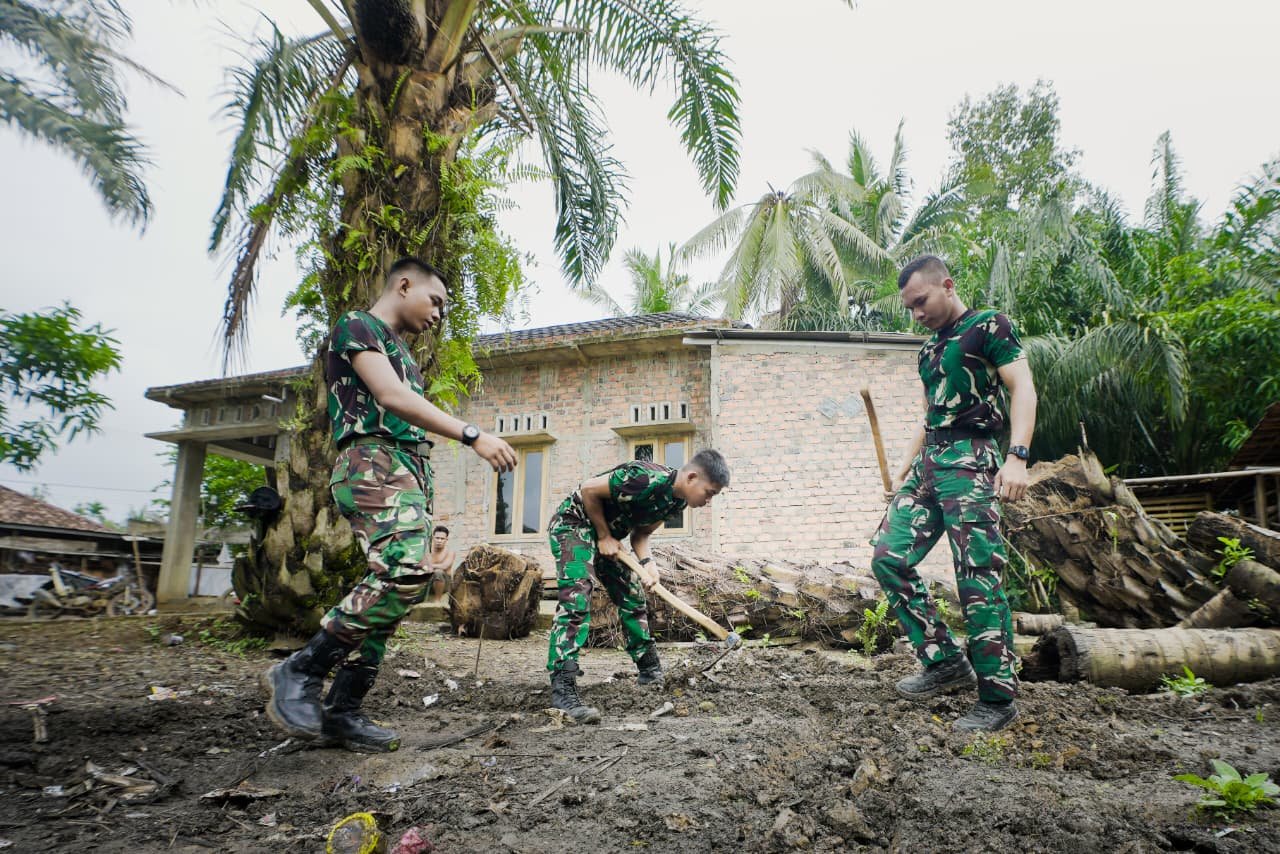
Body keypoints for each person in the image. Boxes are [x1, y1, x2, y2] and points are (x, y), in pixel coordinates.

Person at [262, 257, 517, 752]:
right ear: (403, 285)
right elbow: (390, 396)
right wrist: (473, 434)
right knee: (405, 571)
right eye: (435, 301)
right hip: (372, 463)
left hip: (406, 471)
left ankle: (343, 710)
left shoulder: (404, 353)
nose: (439, 314)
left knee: (399, 590)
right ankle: (300, 670)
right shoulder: (358, 326)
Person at [870, 254, 1037, 732]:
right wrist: (904, 466)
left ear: (947, 285)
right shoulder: (928, 351)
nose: (917, 313)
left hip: (972, 460)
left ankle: (997, 698)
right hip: (931, 463)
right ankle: (944, 661)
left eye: (921, 301)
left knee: (977, 577)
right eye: (910, 307)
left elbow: (1023, 387)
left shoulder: (989, 326)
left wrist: (1018, 455)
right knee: (888, 557)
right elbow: (930, 416)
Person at [546, 450, 730, 723]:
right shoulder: (643, 478)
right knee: (577, 595)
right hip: (574, 524)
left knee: (632, 594)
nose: (708, 501)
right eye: (709, 493)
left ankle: (650, 671)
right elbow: (588, 489)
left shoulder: (675, 502)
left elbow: (641, 534)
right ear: (692, 477)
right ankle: (563, 688)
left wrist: (648, 563)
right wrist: (604, 535)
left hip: (609, 538)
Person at [428, 524, 456, 599]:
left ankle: (437, 600)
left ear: (446, 539)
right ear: (433, 538)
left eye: (442, 538)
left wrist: (429, 566)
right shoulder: (427, 550)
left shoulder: (450, 552)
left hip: (445, 583)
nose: (439, 541)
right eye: (437, 538)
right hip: (429, 581)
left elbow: (444, 566)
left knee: (438, 572)